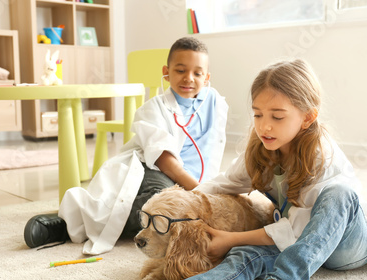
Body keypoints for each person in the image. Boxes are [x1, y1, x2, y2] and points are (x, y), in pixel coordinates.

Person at [90, 59, 367, 280]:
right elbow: (222, 184)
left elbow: (299, 229)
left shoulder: (323, 155)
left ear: (307, 118)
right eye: (259, 115)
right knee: (247, 251)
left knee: (339, 195)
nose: (265, 126)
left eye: (277, 116)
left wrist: (229, 237)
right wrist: (188, 203)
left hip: (347, 245)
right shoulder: (261, 149)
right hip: (295, 238)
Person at [23, 37, 228, 255]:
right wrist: (199, 191)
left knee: (183, 212)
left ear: (206, 78)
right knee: (162, 201)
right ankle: (68, 224)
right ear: (166, 72)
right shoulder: (153, 109)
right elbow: (165, 161)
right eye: (180, 70)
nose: (189, 78)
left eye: (197, 73)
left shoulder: (215, 104)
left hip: (192, 182)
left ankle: (131, 220)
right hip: (154, 168)